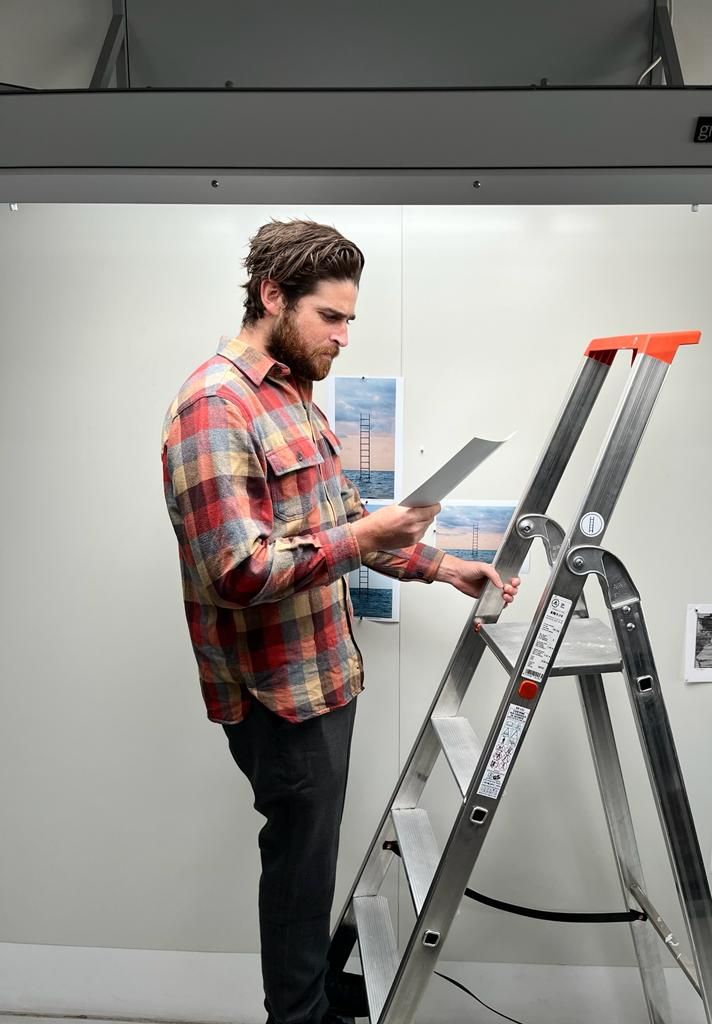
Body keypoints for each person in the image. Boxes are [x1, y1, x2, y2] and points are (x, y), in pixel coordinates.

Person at [160, 219, 520, 1024]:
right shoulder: (214, 408)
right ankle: (298, 1017)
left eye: (351, 319)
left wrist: (445, 567)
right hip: (278, 697)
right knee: (297, 872)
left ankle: (311, 1004)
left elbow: (343, 521)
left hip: (326, 679)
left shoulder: (295, 397)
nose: (344, 337)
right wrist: (362, 537)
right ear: (273, 296)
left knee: (311, 868)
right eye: (332, 317)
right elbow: (238, 570)